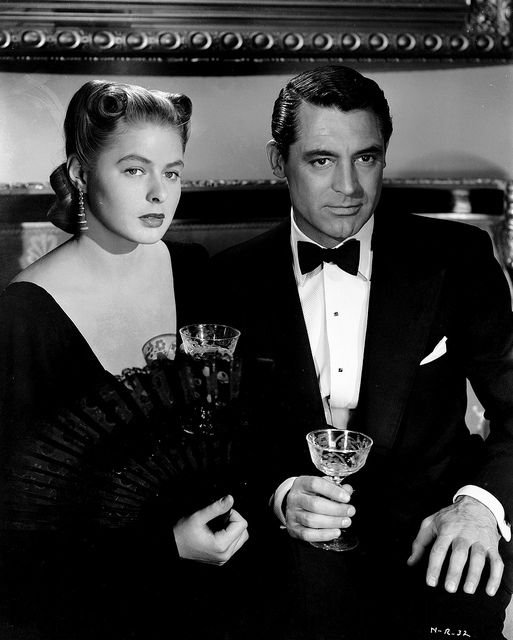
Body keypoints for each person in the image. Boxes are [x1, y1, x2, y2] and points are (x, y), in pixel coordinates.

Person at [209, 65, 513, 639]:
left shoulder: (458, 257)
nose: (349, 187)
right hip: (288, 555)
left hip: (434, 538)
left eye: (366, 158)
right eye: (322, 160)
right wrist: (279, 495)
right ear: (279, 161)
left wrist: (479, 507)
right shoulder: (227, 279)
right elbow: (216, 437)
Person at [0, 80, 248, 640]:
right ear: (81, 173)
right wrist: (167, 546)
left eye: (173, 173)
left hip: (227, 584)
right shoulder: (24, 317)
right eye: (135, 170)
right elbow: (20, 544)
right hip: (98, 607)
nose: (160, 194)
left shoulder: (193, 269)